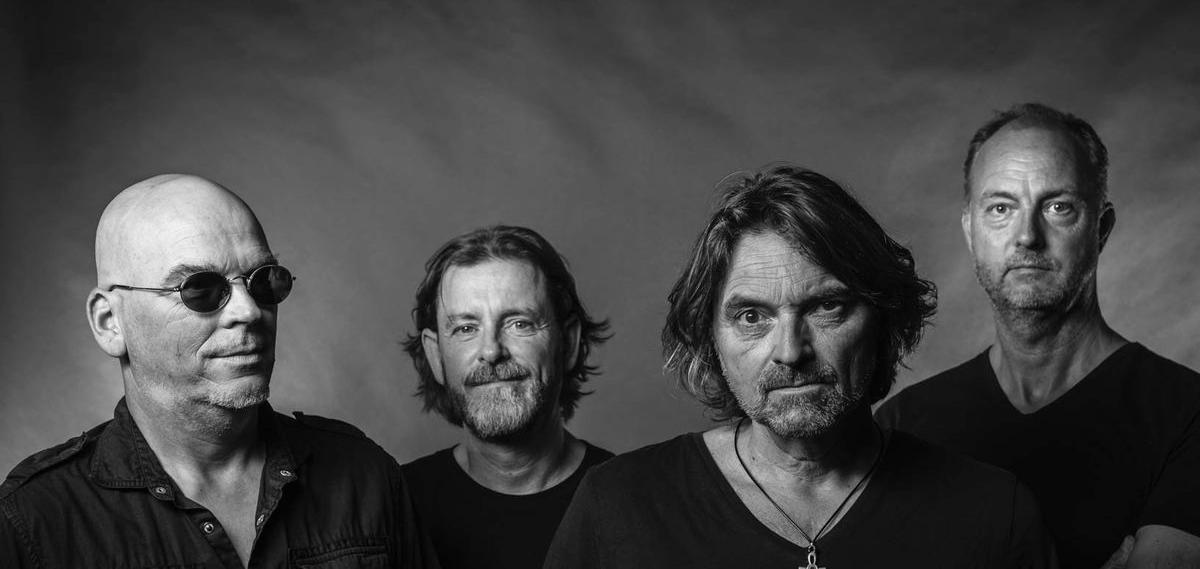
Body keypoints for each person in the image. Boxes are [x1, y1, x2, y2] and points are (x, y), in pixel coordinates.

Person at [545, 165, 1056, 569]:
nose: (791, 351)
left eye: (826, 307)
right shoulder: (617, 507)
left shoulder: (994, 515)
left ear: (882, 320)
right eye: (752, 317)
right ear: (711, 339)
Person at [0, 174, 433, 568]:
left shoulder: (365, 477)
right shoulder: (35, 520)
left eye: (263, 280)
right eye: (200, 289)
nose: (249, 311)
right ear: (110, 322)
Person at [876, 103, 1200, 569]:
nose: (1027, 235)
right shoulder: (902, 425)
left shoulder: (1188, 413)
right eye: (1001, 208)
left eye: (1057, 207)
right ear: (971, 231)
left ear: (1101, 229)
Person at [400, 225, 613, 569]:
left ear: (569, 343)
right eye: (466, 328)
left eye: (519, 323)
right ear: (436, 356)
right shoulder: (395, 506)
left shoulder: (632, 500)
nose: (491, 351)